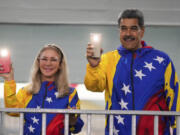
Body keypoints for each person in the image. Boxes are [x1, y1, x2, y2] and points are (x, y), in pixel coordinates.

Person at [84, 9, 180, 135]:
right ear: (119, 31)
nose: (128, 33)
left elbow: (174, 97)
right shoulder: (107, 59)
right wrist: (93, 66)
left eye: (133, 28)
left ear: (142, 31)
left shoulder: (162, 60)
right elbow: (94, 87)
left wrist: (177, 128)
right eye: (123, 28)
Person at [0, 44, 84, 135]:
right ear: (38, 62)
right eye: (44, 59)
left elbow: (77, 129)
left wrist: (72, 121)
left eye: (53, 59)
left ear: (60, 64)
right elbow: (12, 111)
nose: (48, 63)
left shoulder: (70, 93)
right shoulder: (25, 91)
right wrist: (9, 80)